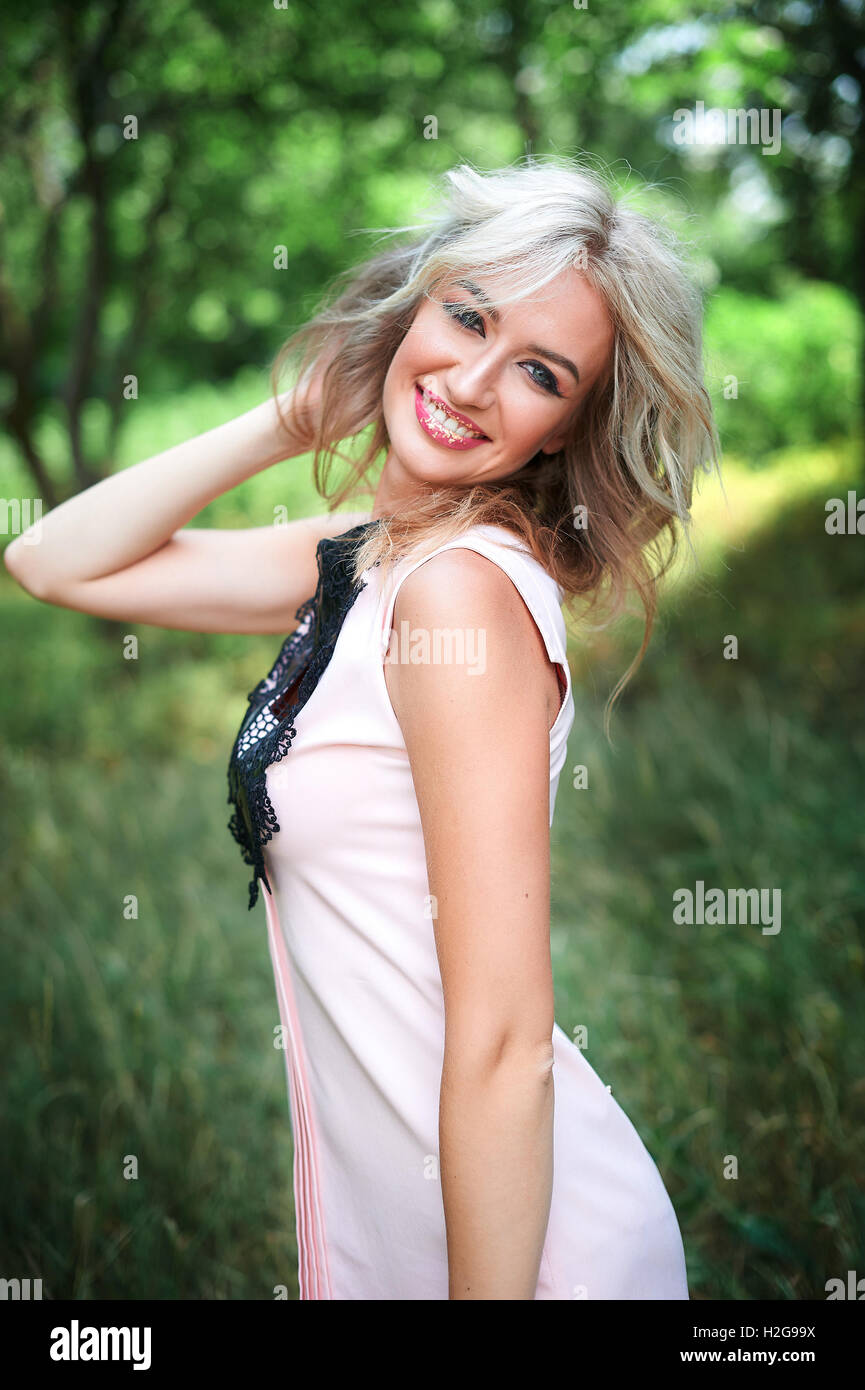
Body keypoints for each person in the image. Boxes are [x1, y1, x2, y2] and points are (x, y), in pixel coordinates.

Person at [4, 155, 718, 1300]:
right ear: (412, 306)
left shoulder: (457, 597)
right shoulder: (369, 563)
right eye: (465, 314)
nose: (475, 380)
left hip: (526, 1264)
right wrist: (291, 417)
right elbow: (51, 559)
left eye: (537, 370)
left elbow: (504, 1042)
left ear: (564, 430)